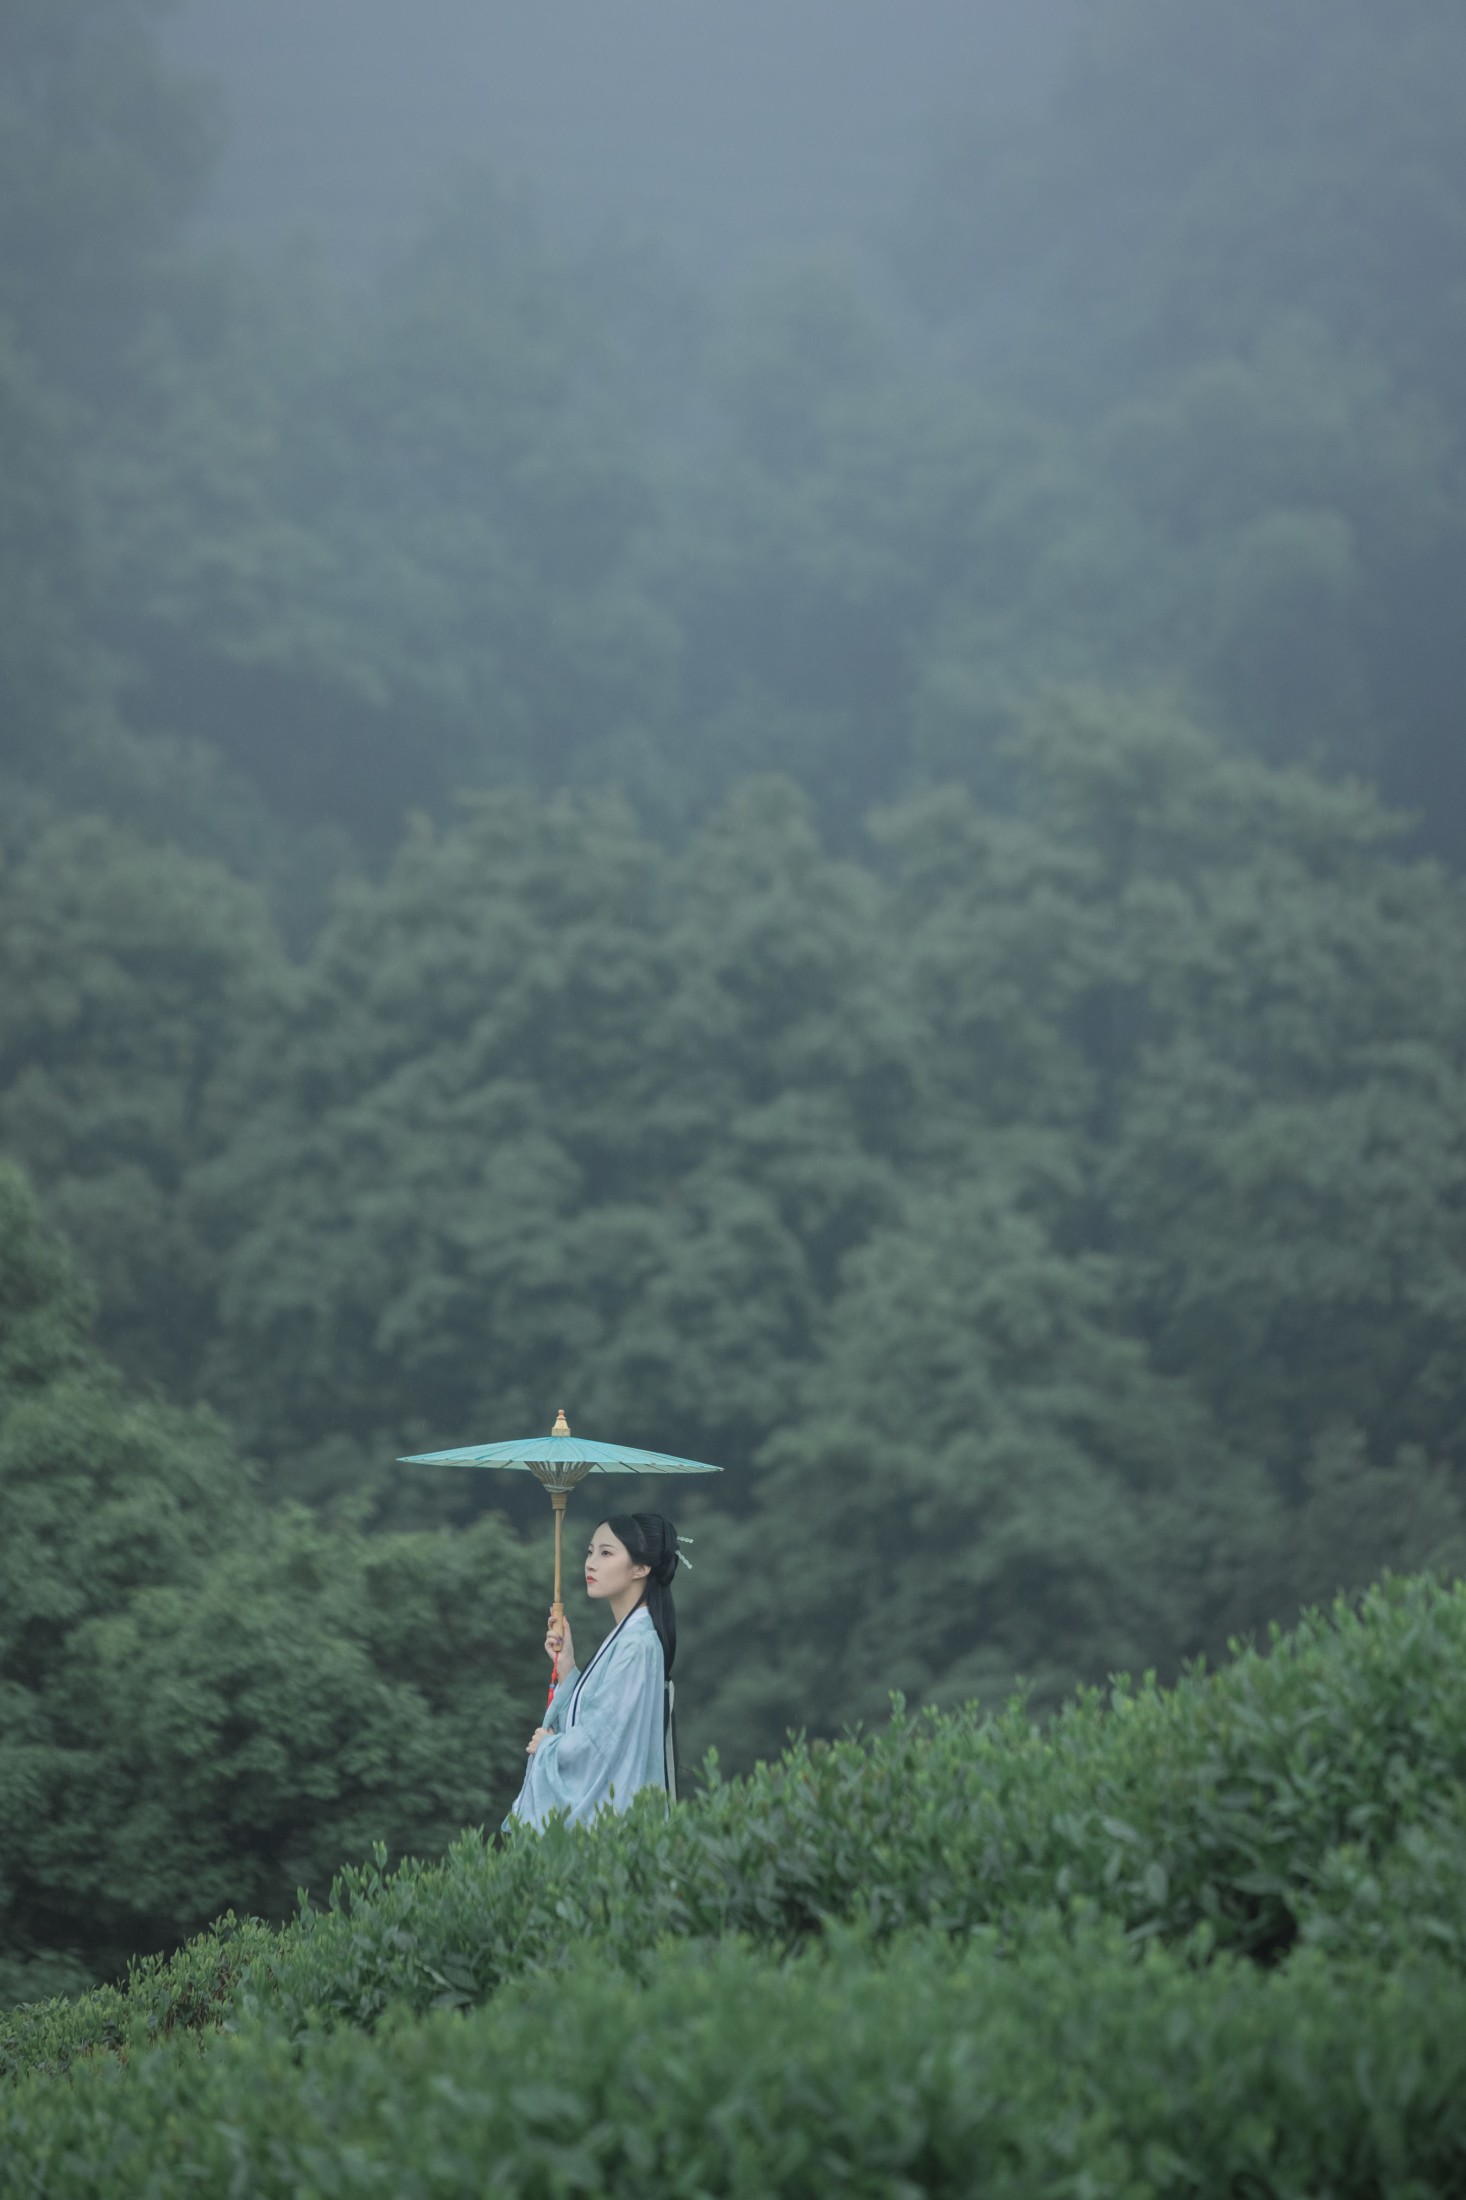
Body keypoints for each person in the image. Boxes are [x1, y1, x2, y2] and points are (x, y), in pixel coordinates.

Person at [508, 1512, 682, 1830]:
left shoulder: (636, 1645)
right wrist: (567, 1667)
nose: (590, 1563)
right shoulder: (628, 1637)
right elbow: (601, 1718)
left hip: (614, 1823)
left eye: (606, 1553)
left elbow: (603, 1741)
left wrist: (548, 1747)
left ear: (641, 1568)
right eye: (590, 1552)